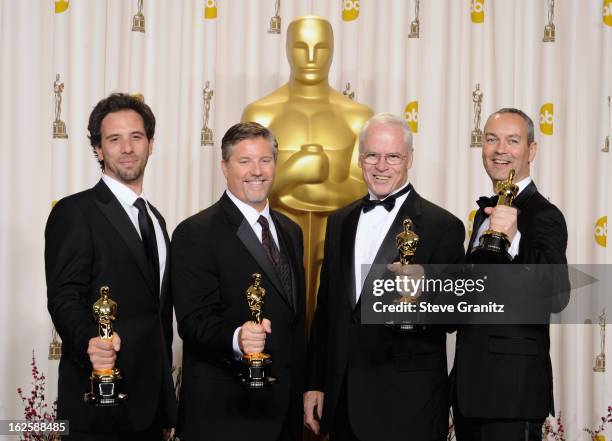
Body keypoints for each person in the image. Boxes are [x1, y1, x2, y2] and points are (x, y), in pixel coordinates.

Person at [304, 113, 465, 441]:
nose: (381, 165)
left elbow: (456, 312)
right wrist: (315, 383)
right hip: (343, 401)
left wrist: (426, 288)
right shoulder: (338, 222)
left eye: (392, 156)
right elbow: (327, 312)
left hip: (408, 405)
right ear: (360, 159)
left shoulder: (442, 226)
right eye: (372, 156)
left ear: (410, 159)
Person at [45, 93, 177, 439]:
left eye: (136, 137)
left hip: (150, 406)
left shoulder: (156, 220)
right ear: (99, 150)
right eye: (114, 139)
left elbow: (157, 313)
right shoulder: (75, 212)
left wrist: (167, 400)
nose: (127, 148)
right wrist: (91, 339)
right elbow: (64, 297)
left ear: (150, 143)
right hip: (99, 399)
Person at [171, 122, 305, 441]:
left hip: (284, 412)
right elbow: (193, 321)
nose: (256, 171)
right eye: (244, 161)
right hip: (225, 414)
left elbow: (294, 319)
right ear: (225, 167)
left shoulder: (291, 231)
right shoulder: (196, 233)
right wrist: (237, 338)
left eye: (265, 160)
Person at [453, 108, 568, 441]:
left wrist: (515, 239)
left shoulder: (544, 215)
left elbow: (557, 295)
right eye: (492, 139)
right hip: (469, 396)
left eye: (512, 140)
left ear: (531, 150)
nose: (500, 149)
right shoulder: (482, 215)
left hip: (511, 397)